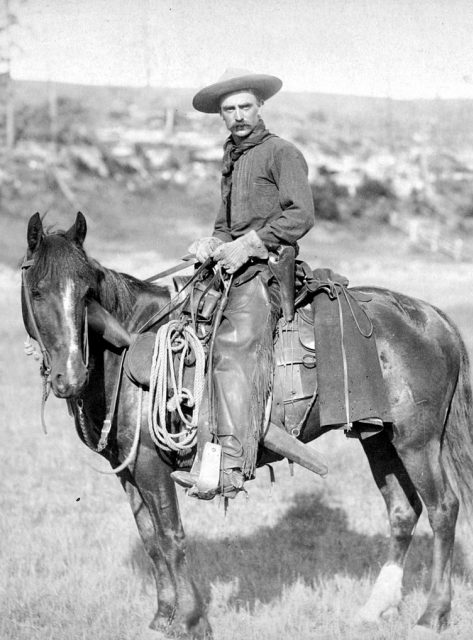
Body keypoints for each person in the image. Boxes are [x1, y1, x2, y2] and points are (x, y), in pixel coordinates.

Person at [172, 69, 315, 499]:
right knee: (182, 323)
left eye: (244, 107)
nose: (237, 116)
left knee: (234, 347)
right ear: (221, 116)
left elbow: (300, 215)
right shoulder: (232, 156)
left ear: (260, 108)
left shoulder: (281, 153)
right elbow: (225, 224)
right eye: (228, 110)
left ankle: (232, 466)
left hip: (268, 270)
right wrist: (211, 242)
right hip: (234, 266)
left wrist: (251, 243)